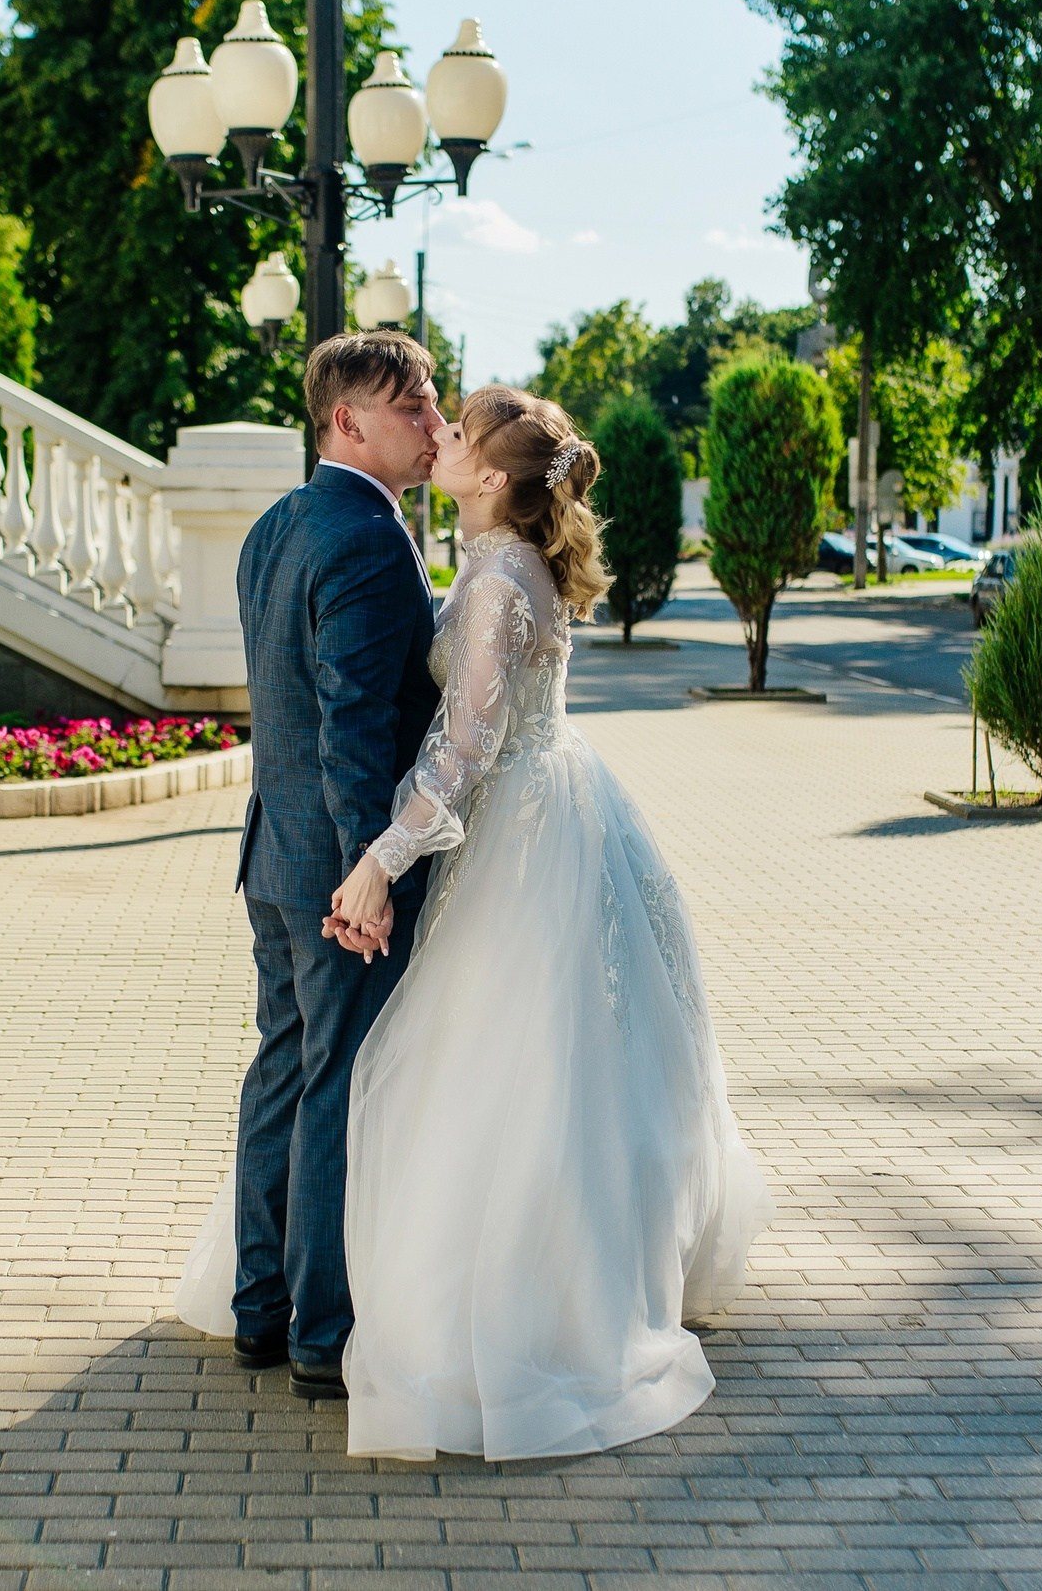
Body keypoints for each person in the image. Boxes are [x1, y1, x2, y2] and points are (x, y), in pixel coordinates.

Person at [180, 384, 772, 1461]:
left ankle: (487, 1298)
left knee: (494, 1073)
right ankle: (327, 1297)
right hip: (518, 816)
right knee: (479, 1067)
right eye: (430, 418)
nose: (438, 435)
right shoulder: (487, 559)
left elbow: (462, 748)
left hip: (514, 831)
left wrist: (378, 860)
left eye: (456, 431)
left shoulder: (498, 575)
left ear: (494, 478)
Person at [191, 331, 446, 1403]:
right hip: (336, 874)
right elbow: (349, 724)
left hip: (271, 855)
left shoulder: (273, 527)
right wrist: (369, 873)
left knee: (283, 1072)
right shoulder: (370, 542)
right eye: (414, 406)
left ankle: (260, 1308)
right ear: (347, 419)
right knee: (335, 1085)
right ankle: (321, 1330)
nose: (435, 424)